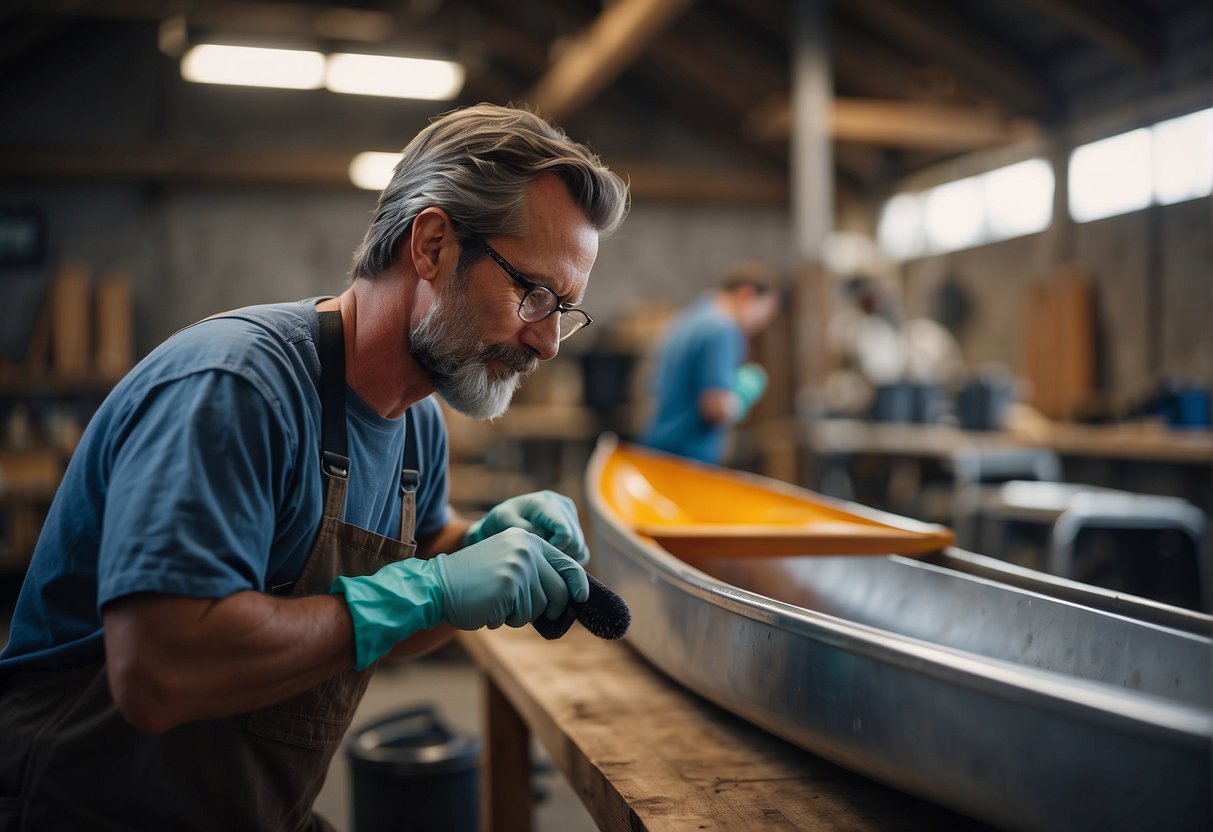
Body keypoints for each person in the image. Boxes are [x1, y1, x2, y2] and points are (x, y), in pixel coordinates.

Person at [0, 103, 629, 831]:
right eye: (535, 294)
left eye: (566, 310)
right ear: (431, 247)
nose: (549, 343)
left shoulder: (415, 420)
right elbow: (158, 673)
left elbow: (406, 600)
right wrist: (427, 590)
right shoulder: (236, 388)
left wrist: (469, 550)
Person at [639, 262, 780, 465]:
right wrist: (741, 396)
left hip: (660, 450)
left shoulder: (690, 319)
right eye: (763, 315)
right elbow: (714, 407)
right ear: (748, 294)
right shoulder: (722, 330)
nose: (759, 326)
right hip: (687, 460)